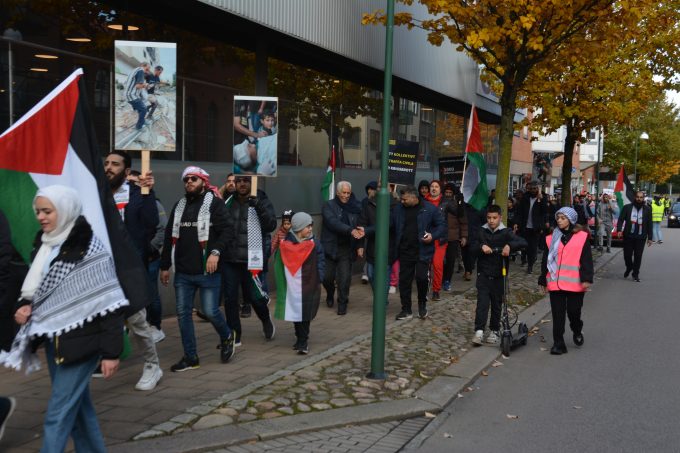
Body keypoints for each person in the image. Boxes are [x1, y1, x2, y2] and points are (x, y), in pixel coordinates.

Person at [1, 186, 127, 452]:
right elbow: (40, 291)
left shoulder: (90, 250)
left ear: (66, 209)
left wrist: (111, 353)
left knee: (57, 414)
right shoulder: (45, 244)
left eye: (47, 211)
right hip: (54, 341)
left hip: (84, 345)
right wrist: (25, 306)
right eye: (38, 211)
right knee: (80, 411)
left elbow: (108, 302)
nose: (41, 217)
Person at [160, 167, 235, 371]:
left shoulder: (215, 203)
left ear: (203, 180)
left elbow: (228, 230)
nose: (189, 182)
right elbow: (169, 236)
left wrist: (216, 252)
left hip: (207, 271)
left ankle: (227, 335)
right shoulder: (179, 205)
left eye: (193, 179)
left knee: (210, 311)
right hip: (183, 272)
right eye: (186, 180)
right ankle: (191, 357)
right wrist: (165, 265)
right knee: (183, 315)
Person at [103, 151, 163, 390]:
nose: (108, 167)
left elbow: (151, 223)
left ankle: (152, 365)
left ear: (127, 172)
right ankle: (106, 356)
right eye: (106, 163)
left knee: (137, 321)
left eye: (115, 164)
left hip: (129, 268)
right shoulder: (97, 193)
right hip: (103, 267)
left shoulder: (138, 194)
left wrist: (149, 193)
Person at [222, 175, 277, 343]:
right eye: (239, 181)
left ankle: (266, 319)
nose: (242, 184)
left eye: (246, 180)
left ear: (252, 182)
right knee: (230, 299)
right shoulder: (228, 202)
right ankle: (235, 334)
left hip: (251, 259)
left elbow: (270, 225)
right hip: (230, 259)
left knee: (255, 297)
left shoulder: (261, 199)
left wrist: (258, 206)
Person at [538, 207, 593, 355]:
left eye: (563, 218)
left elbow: (587, 259)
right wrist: (542, 279)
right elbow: (545, 260)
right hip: (555, 282)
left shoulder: (582, 237)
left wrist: (587, 278)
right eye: (558, 218)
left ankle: (577, 329)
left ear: (571, 220)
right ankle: (558, 343)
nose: (559, 220)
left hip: (575, 283)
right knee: (557, 314)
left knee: (574, 312)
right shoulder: (551, 238)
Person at [470, 205, 527, 346]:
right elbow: (471, 247)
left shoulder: (506, 232)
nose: (491, 221)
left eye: (494, 218)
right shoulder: (481, 232)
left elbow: (522, 242)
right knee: (482, 303)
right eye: (489, 218)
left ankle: (494, 330)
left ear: (500, 218)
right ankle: (479, 331)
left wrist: (509, 246)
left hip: (499, 274)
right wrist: (481, 247)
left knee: (497, 304)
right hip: (483, 273)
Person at [390, 185, 446, 320]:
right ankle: (406, 309)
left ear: (413, 197)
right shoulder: (398, 209)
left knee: (421, 278)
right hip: (404, 250)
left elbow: (442, 226)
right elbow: (390, 225)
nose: (402, 201)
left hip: (423, 250)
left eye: (404, 199)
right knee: (404, 281)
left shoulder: (429, 209)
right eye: (401, 199)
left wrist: (432, 236)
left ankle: (422, 303)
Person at [273, 212, 324, 355]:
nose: (310, 229)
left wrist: (320, 276)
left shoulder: (315, 243)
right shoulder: (287, 244)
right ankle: (299, 336)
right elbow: (280, 262)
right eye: (307, 226)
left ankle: (303, 341)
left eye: (311, 226)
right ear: (298, 228)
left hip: (309, 284)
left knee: (305, 313)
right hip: (293, 286)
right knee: (296, 312)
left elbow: (320, 259)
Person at [321, 181, 364, 315]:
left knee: (344, 278)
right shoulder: (328, 206)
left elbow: (360, 227)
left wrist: (360, 245)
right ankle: (330, 293)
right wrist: (349, 230)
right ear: (338, 193)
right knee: (327, 278)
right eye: (343, 193)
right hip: (330, 247)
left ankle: (342, 303)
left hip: (347, 248)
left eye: (348, 193)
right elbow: (332, 222)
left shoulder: (356, 207)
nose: (346, 196)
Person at [0, 209, 28, 352]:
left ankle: (18, 347)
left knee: (18, 307)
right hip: (10, 265)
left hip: (20, 264)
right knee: (5, 308)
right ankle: (7, 348)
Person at [617, 191, 653, 282]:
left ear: (643, 198)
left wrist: (650, 238)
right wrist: (619, 230)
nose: (639, 199)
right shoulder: (627, 208)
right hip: (628, 236)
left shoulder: (647, 209)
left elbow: (650, 224)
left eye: (641, 197)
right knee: (627, 256)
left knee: (638, 256)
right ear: (634, 197)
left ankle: (635, 274)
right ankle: (629, 267)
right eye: (637, 197)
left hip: (641, 237)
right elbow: (621, 219)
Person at [517, 182, 548, 274]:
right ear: (529, 189)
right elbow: (520, 211)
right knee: (523, 245)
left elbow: (544, 212)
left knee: (533, 247)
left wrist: (541, 200)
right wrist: (516, 223)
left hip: (536, 228)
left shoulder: (543, 198)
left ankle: (530, 265)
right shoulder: (525, 198)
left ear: (538, 189)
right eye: (531, 188)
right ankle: (523, 258)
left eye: (535, 188)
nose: (533, 190)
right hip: (525, 226)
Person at [424, 180, 447, 301]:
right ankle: (424, 287)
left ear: (440, 189)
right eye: (432, 186)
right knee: (425, 265)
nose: (434, 188)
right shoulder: (423, 201)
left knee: (437, 265)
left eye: (436, 186)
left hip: (440, 239)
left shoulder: (446, 202)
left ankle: (436, 290)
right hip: (425, 237)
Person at [442, 191, 468, 292]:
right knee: (440, 261)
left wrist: (464, 236)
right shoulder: (441, 203)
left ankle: (447, 280)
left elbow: (464, 222)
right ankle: (441, 278)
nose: (448, 193)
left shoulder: (458, 205)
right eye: (446, 192)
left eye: (450, 192)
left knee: (451, 260)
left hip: (453, 238)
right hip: (440, 237)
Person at [124, 61, 151, 130]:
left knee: (141, 109)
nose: (148, 70)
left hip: (131, 94)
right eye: (148, 68)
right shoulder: (141, 71)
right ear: (144, 66)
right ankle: (139, 127)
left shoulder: (135, 70)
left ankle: (142, 121)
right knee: (144, 109)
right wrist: (146, 85)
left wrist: (144, 85)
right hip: (131, 95)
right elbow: (138, 86)